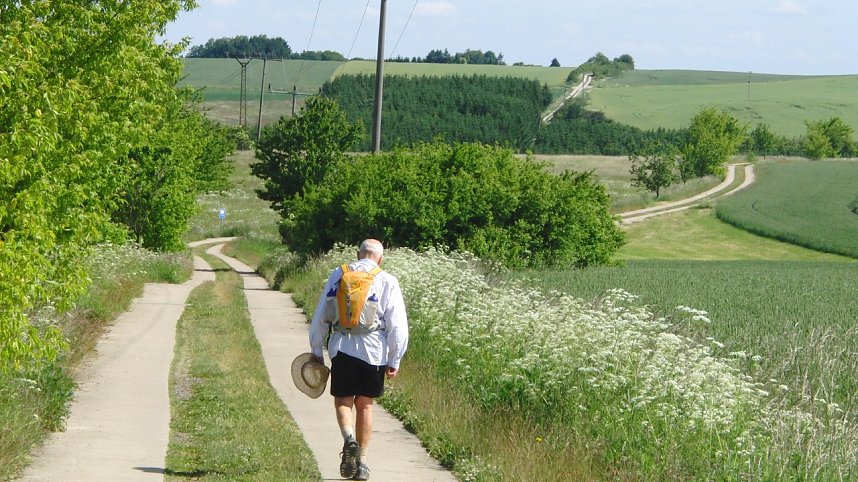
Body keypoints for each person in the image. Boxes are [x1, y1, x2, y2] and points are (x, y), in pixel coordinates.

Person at [309, 239, 409, 481]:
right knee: (365, 405)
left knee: (343, 400)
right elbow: (397, 325)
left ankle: (349, 439)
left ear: (357, 254)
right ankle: (362, 462)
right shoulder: (387, 280)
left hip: (342, 346)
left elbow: (322, 313)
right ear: (380, 259)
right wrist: (394, 358)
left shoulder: (339, 274)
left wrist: (316, 349)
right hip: (374, 350)